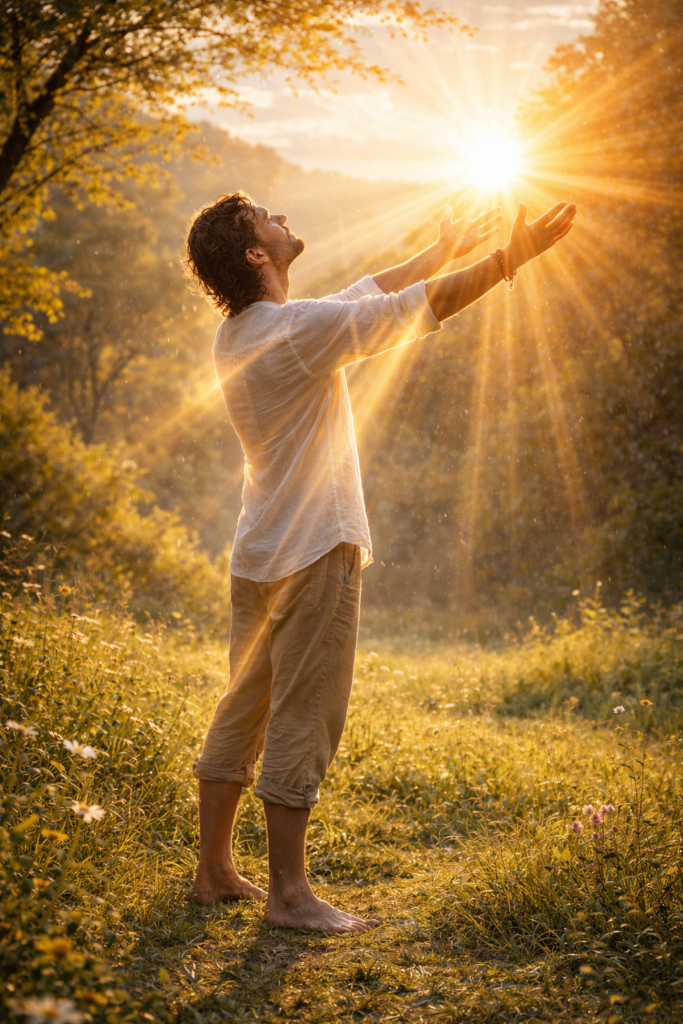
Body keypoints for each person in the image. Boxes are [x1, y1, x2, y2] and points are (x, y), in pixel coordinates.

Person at [183, 193, 576, 932]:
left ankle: (212, 872)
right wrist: (509, 259)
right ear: (255, 255)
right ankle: (290, 897)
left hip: (260, 551)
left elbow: (366, 295)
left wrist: (442, 246)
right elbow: (411, 310)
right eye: (269, 218)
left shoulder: (242, 331)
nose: (284, 216)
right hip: (313, 551)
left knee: (242, 707)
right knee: (305, 713)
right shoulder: (297, 331)